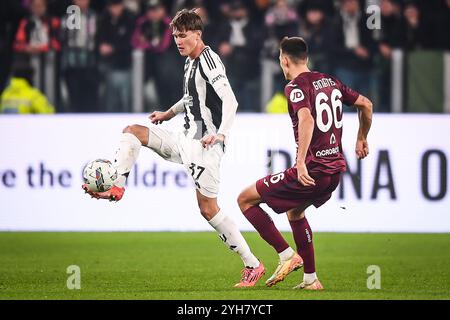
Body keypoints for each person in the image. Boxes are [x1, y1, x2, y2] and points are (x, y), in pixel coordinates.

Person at [83, 8, 265, 287]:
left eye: (182, 36)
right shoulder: (190, 61)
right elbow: (191, 96)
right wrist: (168, 113)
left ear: (197, 34)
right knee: (133, 132)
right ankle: (117, 184)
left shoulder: (209, 60)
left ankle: (252, 264)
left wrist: (221, 135)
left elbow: (231, 100)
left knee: (208, 209)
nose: (178, 41)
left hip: (205, 144)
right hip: (184, 137)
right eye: (175, 36)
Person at [237, 37, 373, 290]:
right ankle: (311, 280)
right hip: (334, 173)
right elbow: (366, 104)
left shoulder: (295, 87)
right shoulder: (331, 82)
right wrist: (362, 138)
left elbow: (307, 119)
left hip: (313, 170)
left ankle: (287, 255)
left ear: (284, 60)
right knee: (295, 212)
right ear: (306, 58)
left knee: (245, 199)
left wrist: (300, 163)